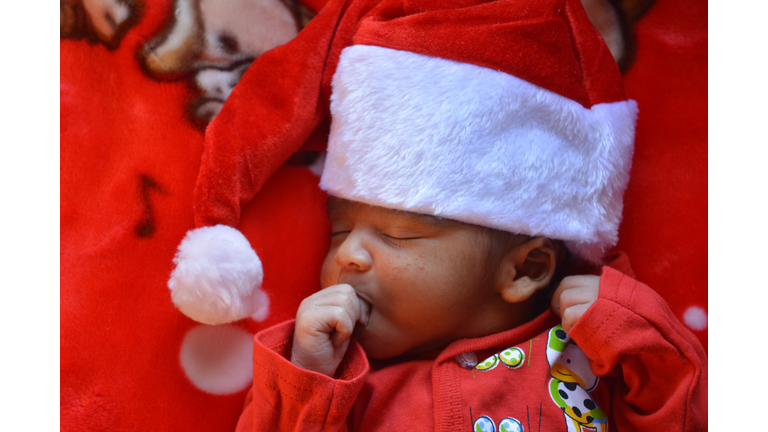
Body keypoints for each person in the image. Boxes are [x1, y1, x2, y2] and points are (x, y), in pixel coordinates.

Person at [165, 0, 707, 430]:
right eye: (339, 230)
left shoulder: (594, 356)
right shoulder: (352, 392)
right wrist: (308, 376)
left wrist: (641, 337)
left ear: (525, 270)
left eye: (400, 235)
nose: (348, 255)